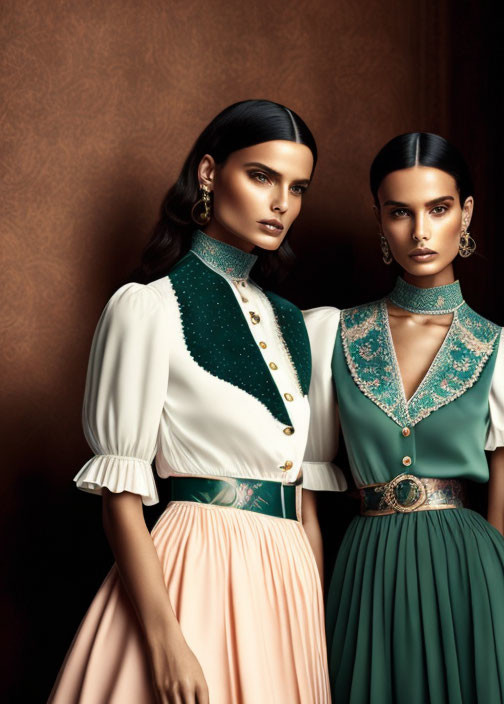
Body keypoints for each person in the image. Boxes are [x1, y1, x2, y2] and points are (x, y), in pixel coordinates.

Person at [50, 99, 345, 704]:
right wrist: (166, 641)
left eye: (297, 187)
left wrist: (311, 619)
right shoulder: (147, 307)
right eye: (261, 176)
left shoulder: (297, 324)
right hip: (198, 576)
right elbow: (121, 500)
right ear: (209, 173)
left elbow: (304, 499)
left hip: (287, 582)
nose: (281, 203)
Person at [321, 132, 504, 703]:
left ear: (465, 213)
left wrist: (503, 619)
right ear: (380, 219)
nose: (419, 233)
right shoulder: (333, 333)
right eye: (400, 212)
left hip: (471, 572)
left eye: (438, 210)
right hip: (366, 566)